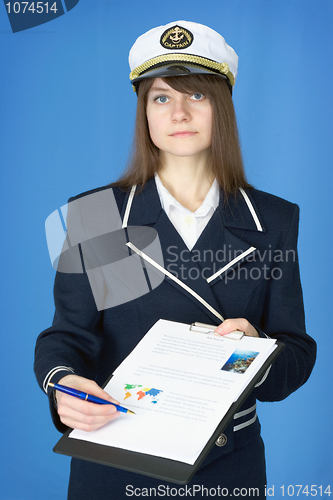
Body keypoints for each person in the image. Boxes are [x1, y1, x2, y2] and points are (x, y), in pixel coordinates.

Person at [34, 21, 316, 499]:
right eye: (161, 97)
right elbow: (67, 337)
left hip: (229, 465)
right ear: (144, 112)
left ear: (222, 108)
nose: (179, 112)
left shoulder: (272, 219)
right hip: (115, 458)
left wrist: (256, 350)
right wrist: (65, 386)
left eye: (197, 96)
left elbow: (297, 350)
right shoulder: (101, 216)